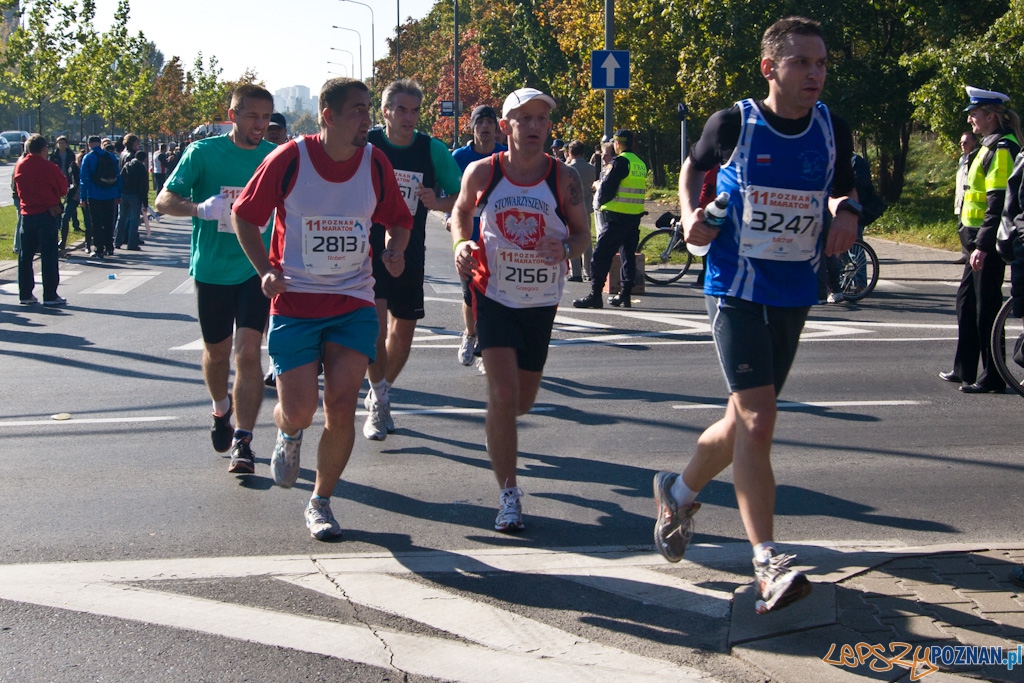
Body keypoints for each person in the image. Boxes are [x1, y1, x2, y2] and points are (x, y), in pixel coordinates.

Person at [651, 16, 859, 614]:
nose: (815, 74)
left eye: (821, 64)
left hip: (794, 289)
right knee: (760, 419)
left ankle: (678, 489)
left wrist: (848, 214)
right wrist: (691, 217)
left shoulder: (831, 128)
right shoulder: (735, 123)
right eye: (802, 63)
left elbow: (842, 187)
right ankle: (767, 562)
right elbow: (692, 167)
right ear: (771, 68)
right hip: (734, 286)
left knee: (743, 422)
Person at [232, 77, 412, 540]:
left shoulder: (375, 164)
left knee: (341, 404)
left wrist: (394, 249)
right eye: (357, 110)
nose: (367, 119)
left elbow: (398, 220)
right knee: (298, 409)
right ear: (328, 116)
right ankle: (289, 434)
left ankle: (321, 502)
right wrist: (264, 270)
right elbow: (244, 215)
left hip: (353, 300)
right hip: (294, 301)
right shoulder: (289, 158)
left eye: (369, 109)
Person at [451, 87, 590, 532]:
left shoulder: (563, 177)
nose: (534, 127)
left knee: (522, 402)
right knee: (504, 393)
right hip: (494, 296)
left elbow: (584, 234)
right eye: (524, 119)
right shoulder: (482, 172)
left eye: (541, 120)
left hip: (541, 301)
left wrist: (565, 244)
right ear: (507, 125)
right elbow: (460, 210)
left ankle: (502, 433)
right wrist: (462, 242)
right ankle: (509, 494)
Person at [154, 84, 277, 473]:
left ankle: (244, 440)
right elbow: (162, 201)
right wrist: (199, 209)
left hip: (256, 269)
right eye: (252, 116)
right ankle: (220, 408)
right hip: (212, 269)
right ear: (233, 114)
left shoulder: (274, 158)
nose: (260, 124)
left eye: (265, 117)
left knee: (248, 354)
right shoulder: (203, 153)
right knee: (218, 354)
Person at [363, 78, 462, 440]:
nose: (408, 117)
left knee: (402, 331)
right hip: (366, 249)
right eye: (401, 109)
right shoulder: (367, 144)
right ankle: (377, 400)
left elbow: (464, 195)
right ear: (385, 112)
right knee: (374, 329)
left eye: (415, 110)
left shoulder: (431, 150)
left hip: (410, 248)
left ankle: (381, 391)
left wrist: (438, 202)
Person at [940, 86, 1021, 394]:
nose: (970, 119)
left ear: (990, 116)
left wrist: (983, 246)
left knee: (986, 307)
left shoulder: (1002, 148)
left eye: (974, 114)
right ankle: (965, 368)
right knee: (966, 303)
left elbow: (998, 202)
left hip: (989, 240)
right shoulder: (988, 146)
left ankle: (993, 377)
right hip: (976, 239)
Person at [451, 104, 507, 366]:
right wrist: (451, 217)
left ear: (496, 128)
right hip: (468, 238)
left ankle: (488, 347)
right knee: (469, 294)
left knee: (495, 295)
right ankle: (470, 335)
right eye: (480, 122)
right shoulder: (459, 157)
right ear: (472, 127)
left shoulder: (505, 156)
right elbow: (449, 195)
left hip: (497, 238)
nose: (485, 127)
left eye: (489, 122)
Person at [573, 129, 647, 309]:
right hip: (634, 216)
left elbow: (607, 189)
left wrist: (598, 187)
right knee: (627, 255)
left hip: (616, 217)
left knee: (600, 256)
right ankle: (625, 295)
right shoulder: (640, 163)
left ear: (618, 143)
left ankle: (595, 295)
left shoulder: (620, 162)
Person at [15, 134, 68, 307]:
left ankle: (25, 293)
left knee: (25, 256)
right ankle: (50, 295)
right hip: (47, 213)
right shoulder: (49, 167)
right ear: (44, 149)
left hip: (27, 213)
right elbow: (62, 188)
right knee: (49, 255)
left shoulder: (20, 165)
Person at [79, 135, 122, 259]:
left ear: (89, 144)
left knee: (96, 222)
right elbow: (117, 175)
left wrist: (83, 197)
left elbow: (84, 179)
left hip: (94, 194)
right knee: (109, 221)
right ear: (100, 143)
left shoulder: (88, 158)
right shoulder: (111, 156)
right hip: (110, 193)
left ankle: (98, 248)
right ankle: (109, 246)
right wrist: (118, 193)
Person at [564, 140, 596, 282]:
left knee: (572, 238)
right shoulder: (591, 169)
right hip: (586, 207)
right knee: (586, 239)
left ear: (570, 153)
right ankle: (589, 271)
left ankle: (576, 272)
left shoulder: (568, 168)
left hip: (570, 208)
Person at [955, 132, 979, 265]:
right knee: (961, 228)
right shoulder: (962, 158)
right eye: (961, 143)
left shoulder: (976, 157)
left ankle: (970, 253)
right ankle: (965, 254)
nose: (963, 145)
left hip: (970, 199)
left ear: (974, 142)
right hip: (961, 198)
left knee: (968, 229)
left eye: (966, 142)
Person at [116, 149, 148, 251]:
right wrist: (145, 202)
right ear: (144, 159)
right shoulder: (141, 168)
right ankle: (132, 243)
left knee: (122, 218)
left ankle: (117, 241)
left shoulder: (127, 165)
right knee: (134, 220)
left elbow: (120, 179)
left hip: (124, 194)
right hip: (135, 195)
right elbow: (144, 186)